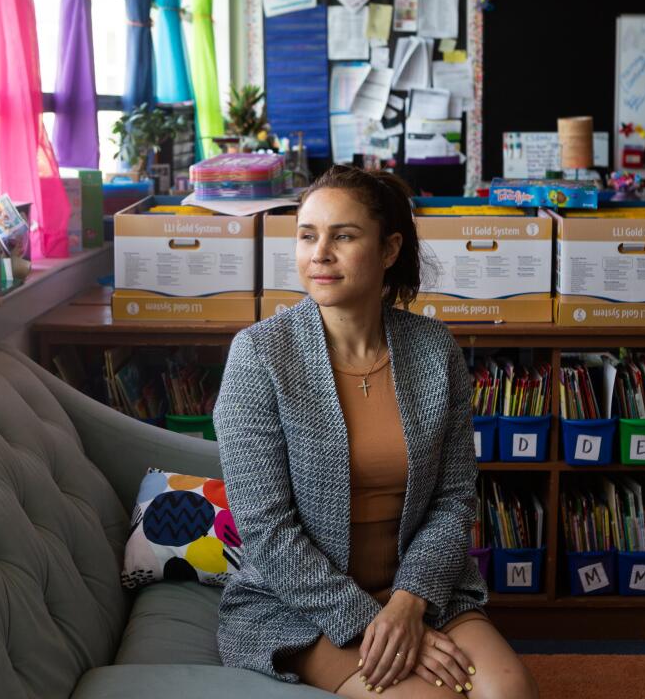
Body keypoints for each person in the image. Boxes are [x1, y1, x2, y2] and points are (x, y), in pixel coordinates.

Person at [213, 166, 540, 698]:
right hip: (300, 605)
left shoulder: (436, 350)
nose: (320, 253)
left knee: (510, 693)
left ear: (389, 250)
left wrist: (409, 604)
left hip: (421, 589)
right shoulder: (260, 355)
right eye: (307, 235)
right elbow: (267, 530)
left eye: (343, 236)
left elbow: (454, 499)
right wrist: (373, 621)